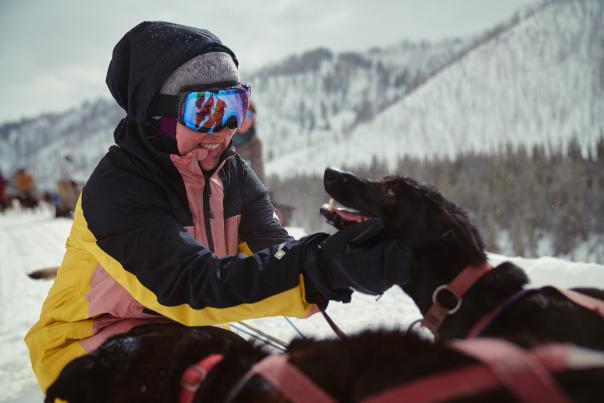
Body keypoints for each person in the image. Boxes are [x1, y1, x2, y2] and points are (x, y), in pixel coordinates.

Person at [25, 21, 412, 393]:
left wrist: (338, 261)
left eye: (235, 108)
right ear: (156, 113)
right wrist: (316, 266)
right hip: (90, 342)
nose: (224, 130)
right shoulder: (118, 189)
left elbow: (274, 253)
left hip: (187, 334)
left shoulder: (233, 175)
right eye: (206, 111)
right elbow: (187, 284)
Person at [232, 100, 266, 183]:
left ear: (253, 121)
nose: (245, 120)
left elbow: (258, 172)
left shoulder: (255, 144)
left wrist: (262, 193)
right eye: (242, 115)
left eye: (249, 116)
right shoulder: (224, 138)